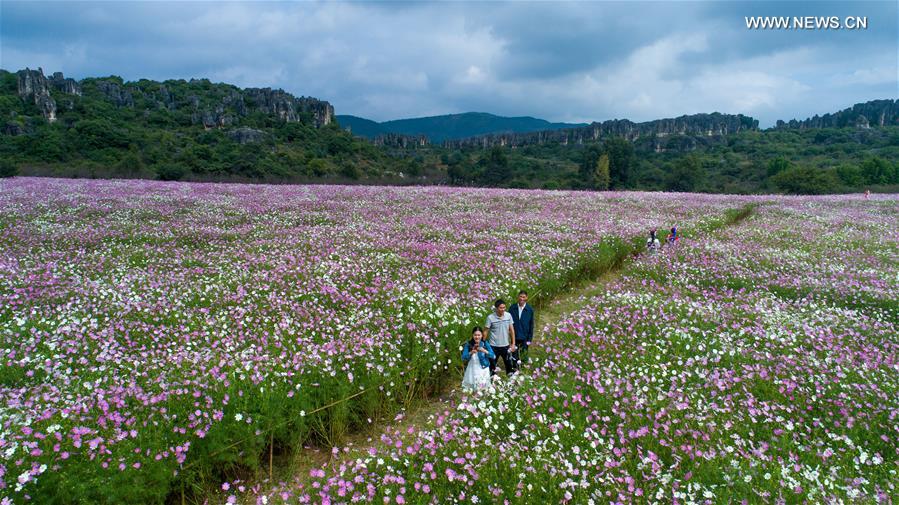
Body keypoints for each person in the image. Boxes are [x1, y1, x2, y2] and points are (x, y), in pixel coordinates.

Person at [485, 298, 516, 376]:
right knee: (492, 366)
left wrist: (513, 344)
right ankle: (491, 380)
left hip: (505, 345)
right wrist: (483, 344)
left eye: (504, 307)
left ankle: (510, 379)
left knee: (509, 365)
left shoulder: (508, 316)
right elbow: (485, 331)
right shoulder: (490, 318)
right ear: (496, 308)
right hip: (493, 346)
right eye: (501, 308)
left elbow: (512, 330)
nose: (503, 309)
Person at [461, 326, 494, 391]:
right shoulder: (469, 344)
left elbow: (493, 356)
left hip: (483, 369)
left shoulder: (485, 343)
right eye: (475, 335)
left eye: (479, 335)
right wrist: (471, 352)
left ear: (482, 335)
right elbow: (463, 357)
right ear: (472, 335)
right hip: (472, 369)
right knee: (472, 389)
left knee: (483, 389)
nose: (477, 337)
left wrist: (484, 351)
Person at [508, 290, 534, 366]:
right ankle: (514, 369)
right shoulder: (512, 308)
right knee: (514, 355)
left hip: (525, 336)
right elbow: (508, 322)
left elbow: (531, 325)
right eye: (520, 296)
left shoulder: (529, 310)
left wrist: (529, 339)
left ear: (526, 298)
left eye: (524, 297)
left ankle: (523, 369)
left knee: (523, 355)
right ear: (518, 297)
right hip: (514, 336)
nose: (522, 299)